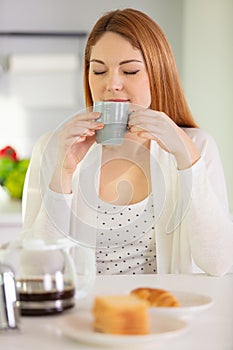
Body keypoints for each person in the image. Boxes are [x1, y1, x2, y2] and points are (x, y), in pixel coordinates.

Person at [21, 8, 233, 276]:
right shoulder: (54, 147)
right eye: (99, 71)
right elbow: (37, 270)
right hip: (86, 315)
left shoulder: (196, 146)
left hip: (162, 312)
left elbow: (219, 264)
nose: (112, 84)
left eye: (130, 71)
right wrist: (63, 174)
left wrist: (186, 157)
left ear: (159, 74)